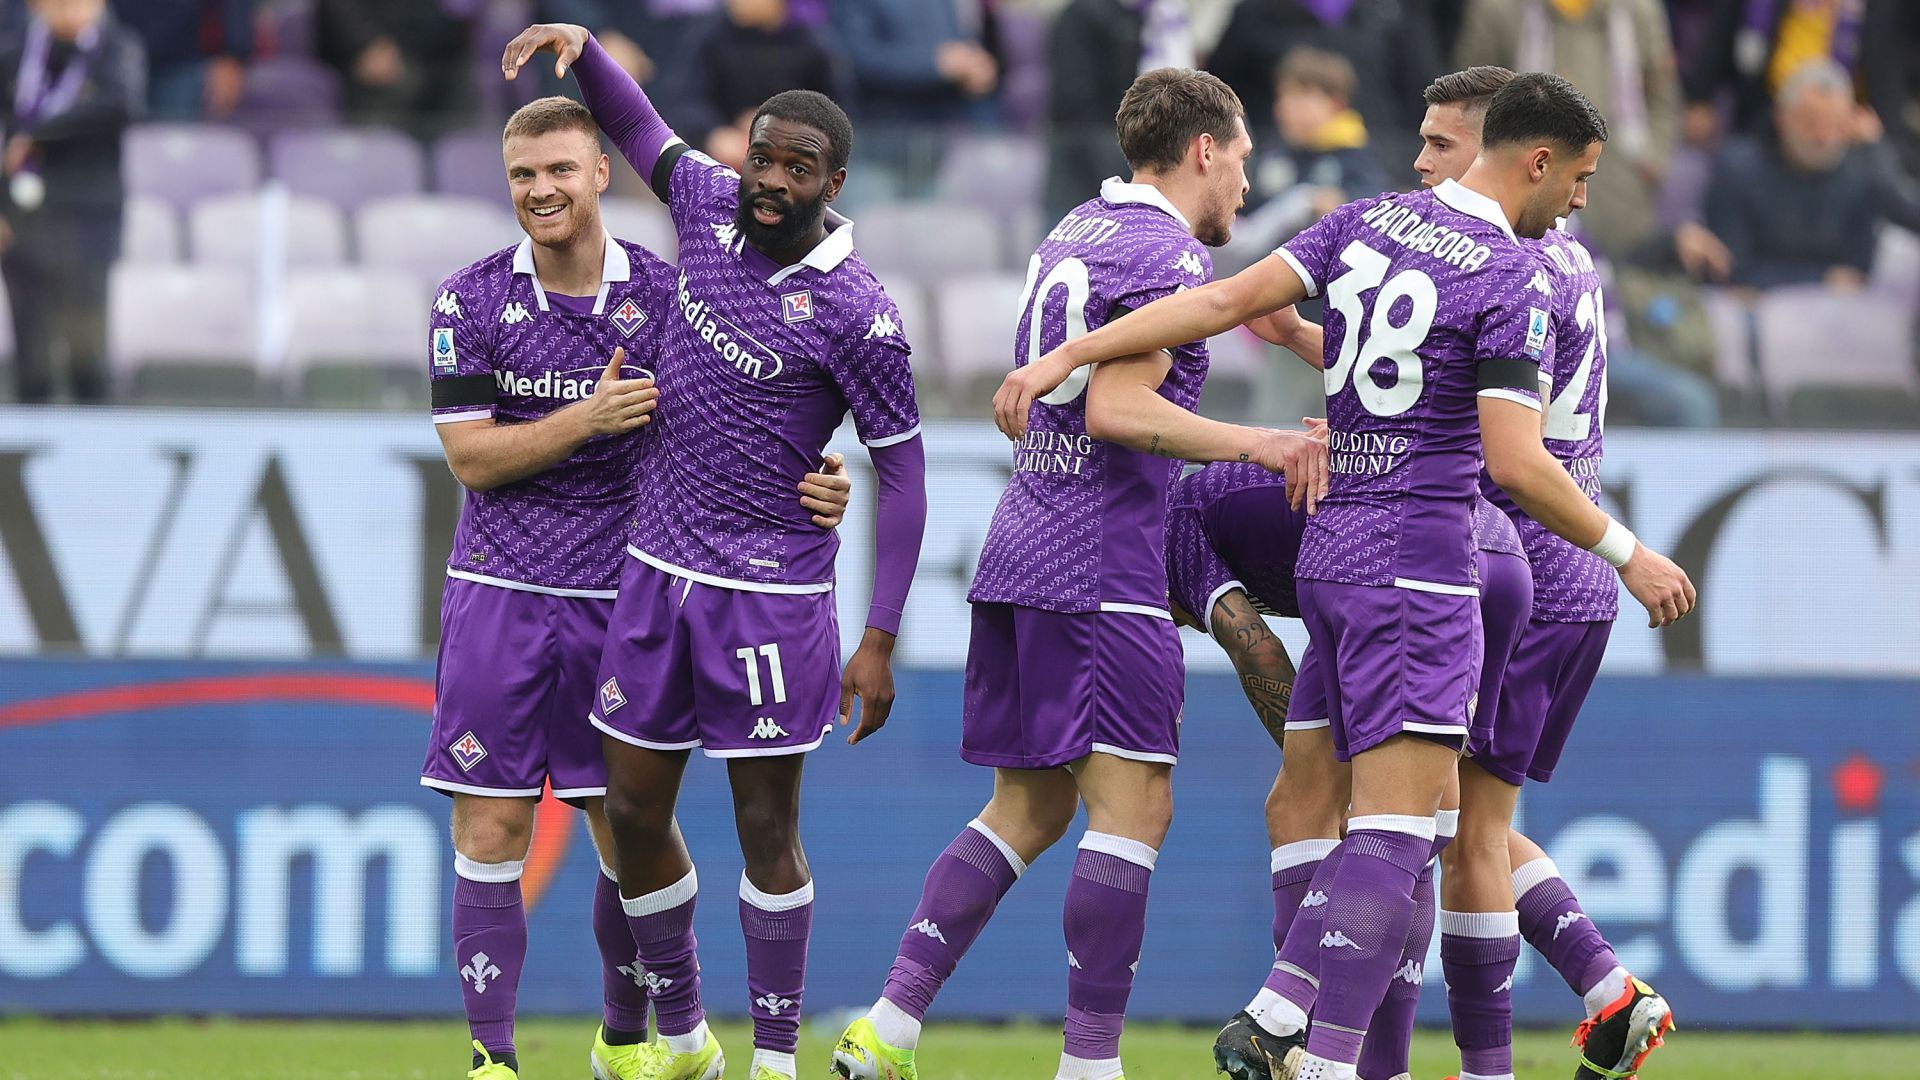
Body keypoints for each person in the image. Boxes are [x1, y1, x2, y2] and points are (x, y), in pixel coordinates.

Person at [996, 71, 1696, 1080]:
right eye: (1579, 178)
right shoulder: (1518, 274)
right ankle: (1332, 1052)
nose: (1580, 201)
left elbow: (1216, 299)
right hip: (1436, 563)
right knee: (1417, 826)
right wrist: (1630, 552)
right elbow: (1513, 458)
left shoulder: (1365, 224)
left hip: (1335, 555)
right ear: (1535, 160)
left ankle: (1311, 1020)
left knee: (1347, 810)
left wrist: (1064, 355)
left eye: (1432, 138)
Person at [830, 67, 1328, 1080]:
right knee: (1134, 807)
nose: (1243, 181)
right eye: (1238, 158)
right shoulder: (1168, 252)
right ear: (1202, 150)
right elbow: (1117, 409)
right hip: (1101, 560)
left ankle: (888, 1026)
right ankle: (1090, 1066)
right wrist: (1261, 443)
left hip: (1021, 544)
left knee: (1031, 807)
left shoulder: (1077, 230)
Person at [504, 23, 930, 1080]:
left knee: (763, 829)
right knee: (635, 810)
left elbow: (907, 476)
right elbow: (640, 128)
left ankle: (775, 1061)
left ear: (834, 181)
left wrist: (877, 639)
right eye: (762, 157)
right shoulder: (704, 207)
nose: (770, 180)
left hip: (769, 596)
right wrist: (587, 49)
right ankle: (687, 1036)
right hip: (655, 577)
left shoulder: (861, 314)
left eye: (797, 167)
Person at [1245, 66, 1681, 1080]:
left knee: (1436, 825)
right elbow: (1418, 369)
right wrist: (1321, 342)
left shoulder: (1508, 262)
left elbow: (1481, 436)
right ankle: (1598, 992)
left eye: (1442, 146)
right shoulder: (1549, 259)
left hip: (1513, 543)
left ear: (1504, 150)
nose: (1422, 165)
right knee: (1455, 823)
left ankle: (1341, 1036)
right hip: (1542, 553)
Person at [421, 94, 856, 1080]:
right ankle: (492, 1060)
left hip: (626, 595)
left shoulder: (667, 296)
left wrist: (814, 488)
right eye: (523, 175)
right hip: (496, 591)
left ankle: (631, 1040)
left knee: (630, 830)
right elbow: (472, 460)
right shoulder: (469, 300)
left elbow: (739, 427)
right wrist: (588, 417)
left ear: (600, 174)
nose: (541, 190)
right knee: (490, 820)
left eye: (560, 170)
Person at [1173, 455, 1528, 1080]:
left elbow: (1257, 650)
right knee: (1436, 815)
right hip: (1494, 558)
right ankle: (1384, 1064)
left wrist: (1332, 765)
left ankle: (1283, 1020)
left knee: (1336, 807)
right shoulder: (1202, 500)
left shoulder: (1167, 532)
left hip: (1395, 567)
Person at [1454, 0, 1681, 261]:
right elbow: (1473, 98)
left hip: (1621, 184)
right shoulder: (1500, 9)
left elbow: (1663, 96)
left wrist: (1653, 160)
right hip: (1530, 176)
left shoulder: (1638, 10)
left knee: (1621, 277)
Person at [0, 0, 144, 404]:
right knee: (32, 362)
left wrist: (40, 133)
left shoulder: (116, 50)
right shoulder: (16, 55)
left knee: (89, 360)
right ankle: (22, 462)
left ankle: (94, 461)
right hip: (25, 223)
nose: (69, 11)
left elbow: (122, 104)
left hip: (87, 222)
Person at [1703, 58, 1883, 289]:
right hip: (1750, 309)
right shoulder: (1737, 168)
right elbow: (1728, 267)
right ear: (1782, 117)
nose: (1823, 136)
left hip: (1833, 312)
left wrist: (1878, 150)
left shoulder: (1861, 175)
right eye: (1811, 122)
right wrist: (1820, 278)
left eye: (1837, 124)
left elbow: (1857, 273)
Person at [107, 0, 249, 120]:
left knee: (172, 146)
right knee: (104, 145)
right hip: (107, 53)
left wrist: (232, 53)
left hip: (179, 58)